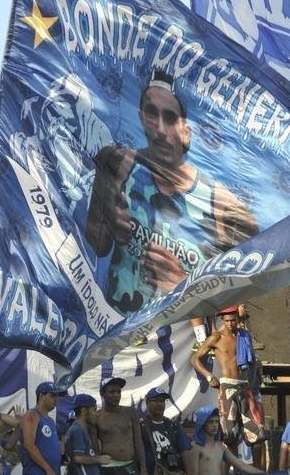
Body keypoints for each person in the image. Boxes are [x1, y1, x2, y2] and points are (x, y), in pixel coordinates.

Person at [85, 71, 258, 313]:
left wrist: (181, 286)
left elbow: (246, 289)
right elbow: (97, 244)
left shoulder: (222, 204)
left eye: (170, 117)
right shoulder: (118, 164)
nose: (160, 129)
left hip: (180, 338)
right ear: (141, 118)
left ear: (187, 129)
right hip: (116, 328)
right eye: (151, 114)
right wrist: (109, 222)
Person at [191, 306, 266, 449]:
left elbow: (253, 361)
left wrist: (252, 380)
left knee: (257, 434)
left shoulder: (244, 335)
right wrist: (209, 376)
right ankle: (230, 470)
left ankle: (257, 471)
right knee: (229, 434)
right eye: (227, 321)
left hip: (245, 385)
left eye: (233, 320)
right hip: (227, 386)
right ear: (222, 320)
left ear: (237, 319)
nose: (230, 323)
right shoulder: (216, 337)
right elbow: (195, 359)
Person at [94, 377, 149, 475]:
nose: (116, 395)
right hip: (107, 468)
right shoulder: (97, 416)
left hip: (129, 466)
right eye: (112, 392)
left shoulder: (130, 412)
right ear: (102, 394)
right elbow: (95, 446)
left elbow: (138, 441)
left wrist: (143, 468)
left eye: (119, 391)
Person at [190, 406, 264, 475]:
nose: (214, 425)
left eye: (216, 422)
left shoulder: (221, 448)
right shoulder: (196, 447)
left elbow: (242, 466)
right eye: (210, 422)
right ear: (202, 424)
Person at [140, 387, 191, 475]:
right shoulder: (141, 425)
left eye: (162, 401)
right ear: (147, 403)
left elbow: (184, 452)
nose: (159, 404)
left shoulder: (174, 425)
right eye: (155, 401)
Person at [20, 381, 65, 475]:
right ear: (42, 396)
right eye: (53, 395)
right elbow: (29, 445)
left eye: (57, 396)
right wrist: (48, 469)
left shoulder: (50, 420)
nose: (56, 399)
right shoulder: (32, 414)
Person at [65, 394, 110, 475]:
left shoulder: (81, 429)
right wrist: (99, 459)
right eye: (94, 410)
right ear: (84, 411)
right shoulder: (78, 430)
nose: (96, 414)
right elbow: (77, 458)